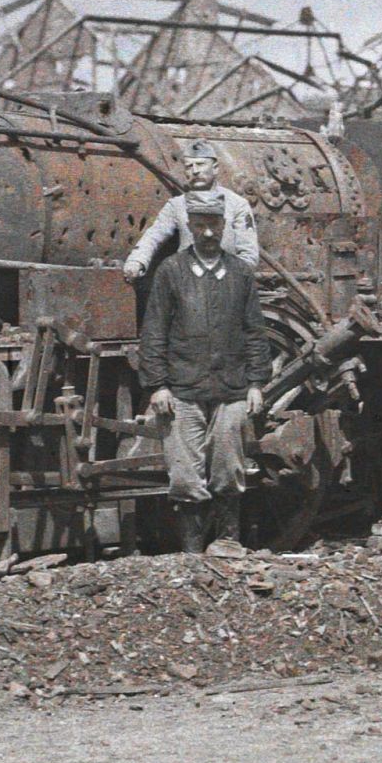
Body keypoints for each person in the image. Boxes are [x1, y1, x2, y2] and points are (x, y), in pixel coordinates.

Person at [139, 191, 271, 552]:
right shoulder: (171, 271)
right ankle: (193, 556)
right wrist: (157, 385)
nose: (208, 233)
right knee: (185, 476)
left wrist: (256, 383)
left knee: (229, 470)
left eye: (214, 224)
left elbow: (255, 332)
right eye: (200, 225)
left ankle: (228, 547)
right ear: (190, 227)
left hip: (231, 390)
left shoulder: (240, 274)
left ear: (224, 226)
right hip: (182, 390)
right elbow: (153, 332)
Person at [122, 139, 259, 280]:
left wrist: (229, 278)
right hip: (187, 280)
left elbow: (249, 254)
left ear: (215, 168)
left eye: (200, 164)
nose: (195, 171)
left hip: (227, 280)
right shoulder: (177, 205)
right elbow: (154, 235)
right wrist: (137, 261)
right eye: (189, 166)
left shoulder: (237, 204)